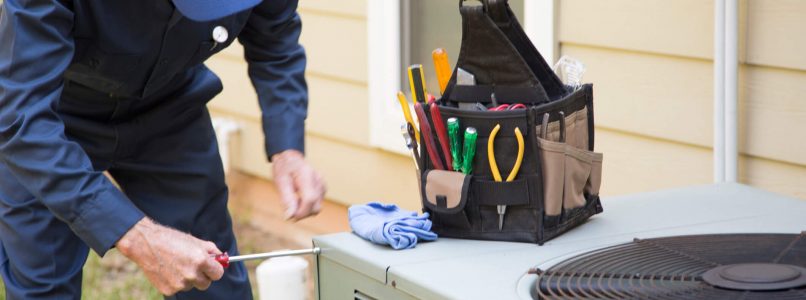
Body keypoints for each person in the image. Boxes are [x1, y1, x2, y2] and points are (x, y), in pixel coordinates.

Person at [0, 0, 326, 298]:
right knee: (44, 283)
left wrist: (288, 148)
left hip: (169, 110)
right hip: (52, 120)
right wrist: (138, 237)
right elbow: (22, 121)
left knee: (213, 275)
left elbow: (275, 42)